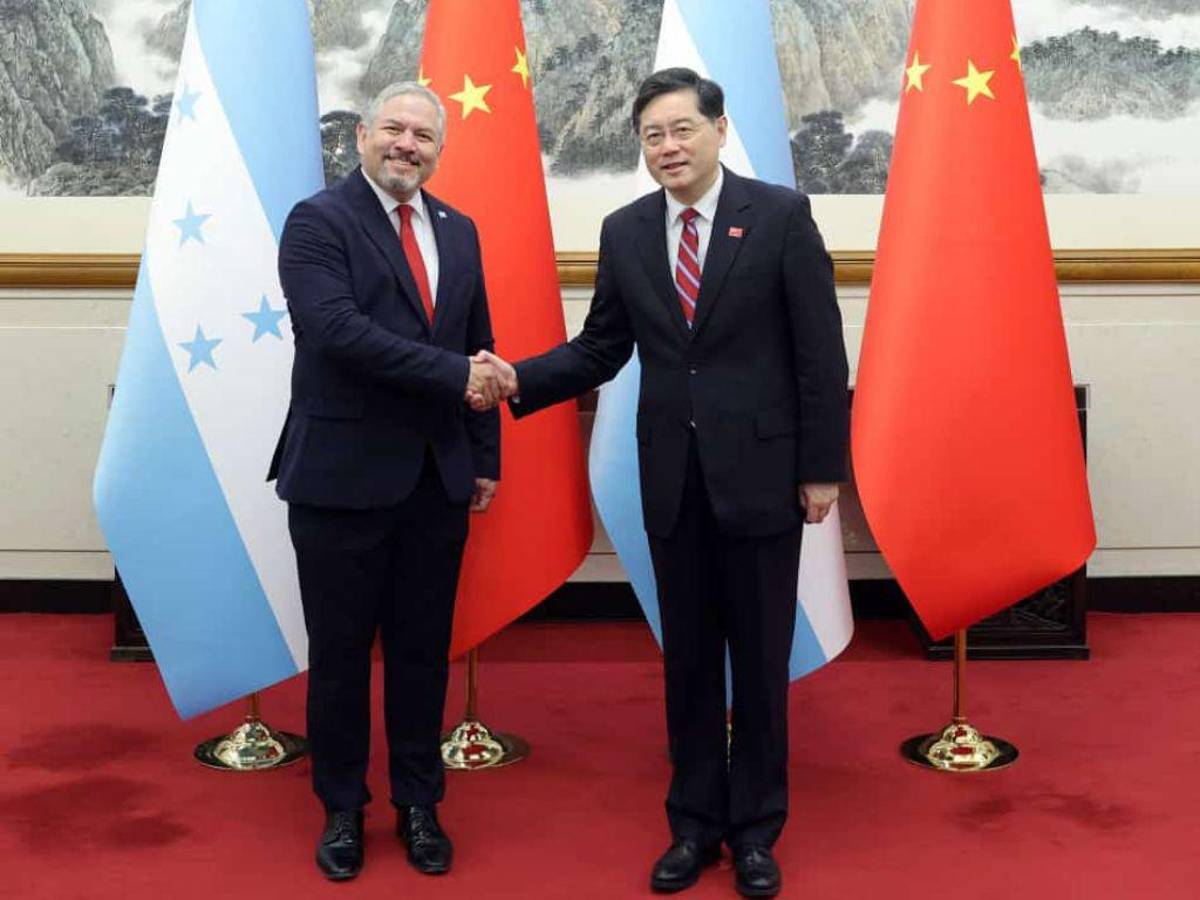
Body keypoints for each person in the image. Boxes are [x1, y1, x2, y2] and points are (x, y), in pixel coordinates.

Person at [476, 68, 849, 898]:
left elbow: (820, 354)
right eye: (653, 135)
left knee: (759, 663)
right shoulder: (627, 230)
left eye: (682, 129)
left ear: (719, 129)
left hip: (762, 478)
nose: (668, 147)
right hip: (673, 482)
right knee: (687, 662)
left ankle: (756, 832)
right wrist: (518, 379)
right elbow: (602, 346)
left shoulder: (780, 216)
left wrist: (822, 467)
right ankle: (693, 825)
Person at [269, 81, 510, 881]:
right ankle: (342, 808)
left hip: (436, 480)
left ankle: (418, 804)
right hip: (339, 478)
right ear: (362, 135)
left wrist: (484, 456)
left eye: (424, 136)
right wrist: (456, 377)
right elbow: (336, 332)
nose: (408, 145)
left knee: (422, 655)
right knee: (339, 656)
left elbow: (478, 342)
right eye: (394, 129)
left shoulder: (459, 230)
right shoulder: (318, 221)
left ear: (439, 151)